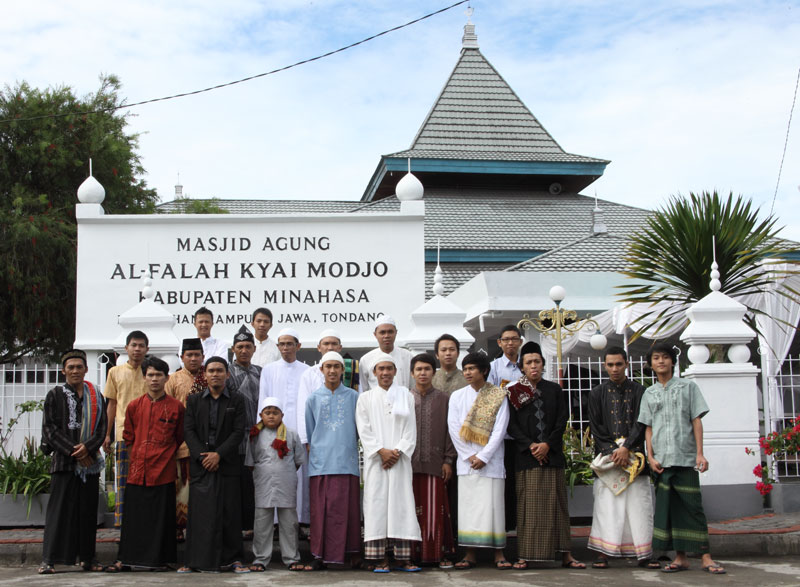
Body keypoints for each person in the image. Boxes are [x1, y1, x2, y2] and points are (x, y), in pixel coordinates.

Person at [638, 343, 726, 575]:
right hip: (662, 462)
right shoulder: (649, 393)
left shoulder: (688, 387)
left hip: (685, 458)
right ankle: (680, 558)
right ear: (651, 364)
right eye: (656, 358)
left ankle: (706, 557)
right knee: (669, 510)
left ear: (672, 362)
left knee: (693, 507)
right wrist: (650, 456)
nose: (661, 362)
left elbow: (696, 420)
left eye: (665, 357)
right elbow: (648, 427)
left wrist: (699, 453)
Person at [506, 342, 584, 569]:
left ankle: (566, 555)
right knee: (528, 507)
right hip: (526, 458)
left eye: (537, 362)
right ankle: (525, 555)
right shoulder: (516, 390)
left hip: (553, 456)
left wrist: (548, 445)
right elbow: (511, 425)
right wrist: (531, 446)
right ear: (521, 367)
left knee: (557, 506)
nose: (533, 366)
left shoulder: (554, 390)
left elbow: (562, 420)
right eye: (528, 362)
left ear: (543, 364)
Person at [109, 357, 184, 572]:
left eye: (158, 375)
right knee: (135, 518)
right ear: (144, 378)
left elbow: (179, 437)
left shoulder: (176, 407)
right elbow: (129, 437)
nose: (154, 379)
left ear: (166, 378)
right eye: (150, 375)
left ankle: (161, 559)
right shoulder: (134, 406)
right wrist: (137, 461)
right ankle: (129, 558)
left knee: (161, 518)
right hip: (137, 471)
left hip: (164, 470)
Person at [588, 346, 658, 569]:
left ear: (626, 364)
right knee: (607, 507)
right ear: (604, 366)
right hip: (608, 460)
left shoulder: (640, 391)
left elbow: (642, 422)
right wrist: (613, 451)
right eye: (610, 365)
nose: (614, 369)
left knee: (639, 506)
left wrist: (627, 447)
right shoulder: (597, 393)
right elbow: (596, 427)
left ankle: (643, 554)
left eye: (619, 364)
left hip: (635, 458)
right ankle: (604, 552)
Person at [39, 349, 107, 575]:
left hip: (89, 465)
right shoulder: (55, 395)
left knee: (88, 514)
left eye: (79, 367)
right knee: (59, 513)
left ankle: (88, 558)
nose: (75, 370)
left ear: (86, 369)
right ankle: (49, 559)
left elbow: (102, 429)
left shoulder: (96, 395)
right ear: (63, 371)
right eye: (71, 367)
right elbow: (50, 430)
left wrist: (87, 448)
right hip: (64, 464)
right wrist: (74, 450)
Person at [180, 356, 249, 574]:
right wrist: (203, 456)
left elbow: (239, 432)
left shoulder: (237, 400)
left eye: (220, 370)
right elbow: (188, 431)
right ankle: (196, 561)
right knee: (201, 514)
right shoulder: (194, 400)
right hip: (202, 465)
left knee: (230, 513)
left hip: (227, 463)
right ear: (205, 374)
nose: (215, 374)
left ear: (227, 375)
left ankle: (233, 559)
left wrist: (218, 455)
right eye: (211, 370)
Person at [356, 353, 422, 573]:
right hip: (377, 462)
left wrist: (397, 451)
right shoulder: (365, 398)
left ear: (396, 371)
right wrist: (380, 451)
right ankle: (379, 558)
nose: (385, 373)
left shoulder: (406, 395)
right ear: (374, 372)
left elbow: (411, 429)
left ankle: (403, 558)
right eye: (380, 369)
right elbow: (363, 430)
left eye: (389, 368)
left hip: (400, 461)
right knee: (377, 506)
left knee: (401, 505)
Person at [447, 352, 511, 570]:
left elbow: (500, 429)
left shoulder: (497, 395)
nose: (467, 373)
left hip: (491, 462)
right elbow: (454, 428)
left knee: (493, 507)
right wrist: (468, 455)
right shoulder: (457, 396)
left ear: (484, 371)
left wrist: (484, 456)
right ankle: (469, 553)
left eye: (472, 368)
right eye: (465, 369)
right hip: (466, 463)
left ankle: (499, 553)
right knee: (469, 509)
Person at [305, 351, 362, 570]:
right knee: (322, 512)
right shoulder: (312, 399)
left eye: (336, 367)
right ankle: (319, 555)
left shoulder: (354, 397)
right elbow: (311, 434)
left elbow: (359, 430)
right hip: (321, 464)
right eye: (328, 366)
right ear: (321, 370)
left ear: (343, 370)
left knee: (346, 511)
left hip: (346, 462)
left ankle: (351, 554)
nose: (332, 370)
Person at [246, 396, 306, 571]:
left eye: (275, 413)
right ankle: (260, 558)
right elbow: (250, 463)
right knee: (262, 522)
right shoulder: (254, 435)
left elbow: (297, 461)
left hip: (286, 483)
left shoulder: (292, 434)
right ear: (261, 415)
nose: (271, 416)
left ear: (282, 415)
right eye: (267, 413)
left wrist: (281, 472)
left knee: (289, 523)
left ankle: (292, 558)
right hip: (263, 483)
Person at [258, 327, 311, 526]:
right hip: (274, 432)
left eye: (290, 343)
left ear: (298, 346)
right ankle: (275, 522)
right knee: (275, 475)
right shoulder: (269, 370)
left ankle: (299, 521)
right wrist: (263, 431)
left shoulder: (306, 371)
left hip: (299, 432)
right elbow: (263, 402)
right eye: (282, 344)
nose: (286, 347)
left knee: (298, 475)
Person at [409, 353, 456, 568]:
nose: (423, 373)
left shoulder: (445, 399)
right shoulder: (405, 398)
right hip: (408, 466)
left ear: (433, 372)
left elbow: (451, 432)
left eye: (427, 369)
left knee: (435, 509)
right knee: (410, 509)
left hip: (436, 464)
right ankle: (410, 554)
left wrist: (448, 460)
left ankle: (437, 554)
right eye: (418, 369)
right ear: (412, 373)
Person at [103, 330, 149, 527]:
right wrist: (106, 434)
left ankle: (143, 520)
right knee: (123, 480)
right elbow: (112, 404)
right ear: (126, 348)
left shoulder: (151, 372)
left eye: (141, 346)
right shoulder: (115, 372)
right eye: (134, 345)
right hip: (123, 434)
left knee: (146, 480)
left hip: (148, 435)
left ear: (147, 349)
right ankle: (122, 521)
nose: (137, 349)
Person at [165, 337, 205, 540]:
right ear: (182, 357)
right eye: (189, 355)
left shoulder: (210, 376)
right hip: (180, 442)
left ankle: (198, 525)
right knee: (180, 486)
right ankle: (179, 528)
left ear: (203, 357)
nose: (194, 358)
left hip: (204, 441)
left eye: (197, 355)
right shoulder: (173, 379)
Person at [227, 325, 262, 540]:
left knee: (256, 485)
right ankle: (238, 527)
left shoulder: (261, 372)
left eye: (248, 346)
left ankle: (255, 526)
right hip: (236, 439)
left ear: (254, 348)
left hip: (258, 438)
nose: (244, 350)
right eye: (240, 347)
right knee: (238, 485)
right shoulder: (227, 373)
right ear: (233, 349)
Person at [359, 315, 413, 391]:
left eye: (390, 332)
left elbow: (413, 387)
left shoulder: (408, 356)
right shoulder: (366, 359)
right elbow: (364, 389)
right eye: (382, 332)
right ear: (375, 334)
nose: (387, 336)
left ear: (396, 333)